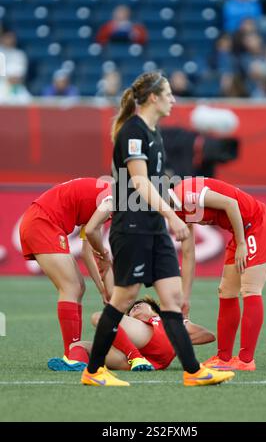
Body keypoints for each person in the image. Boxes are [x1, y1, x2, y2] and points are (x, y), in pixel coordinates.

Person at [81, 71, 235, 387]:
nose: (173, 100)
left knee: (172, 299)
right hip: (133, 226)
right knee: (125, 297)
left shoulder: (154, 133)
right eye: (168, 94)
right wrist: (172, 216)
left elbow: (157, 184)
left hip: (153, 228)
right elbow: (138, 182)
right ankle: (93, 370)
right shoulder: (133, 132)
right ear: (153, 97)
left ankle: (193, 372)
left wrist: (170, 213)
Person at [168, 176, 266, 371]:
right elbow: (188, 253)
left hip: (258, 225)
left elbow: (230, 204)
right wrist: (185, 298)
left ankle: (246, 360)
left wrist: (241, 243)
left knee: (250, 289)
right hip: (241, 231)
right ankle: (224, 358)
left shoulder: (186, 193)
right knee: (226, 291)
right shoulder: (176, 212)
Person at [19, 177, 114, 365]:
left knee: (78, 286)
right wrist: (104, 255)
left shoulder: (107, 195)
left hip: (43, 221)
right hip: (43, 222)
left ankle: (72, 354)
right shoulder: (114, 198)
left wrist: (102, 288)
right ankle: (71, 356)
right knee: (70, 287)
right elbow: (94, 235)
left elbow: (87, 251)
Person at [49, 296, 216, 372]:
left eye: (141, 305)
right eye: (131, 309)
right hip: (149, 360)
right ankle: (77, 367)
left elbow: (209, 335)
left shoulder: (165, 319)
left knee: (99, 317)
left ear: (155, 311)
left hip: (148, 342)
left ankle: (135, 356)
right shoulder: (126, 331)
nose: (135, 307)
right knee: (77, 346)